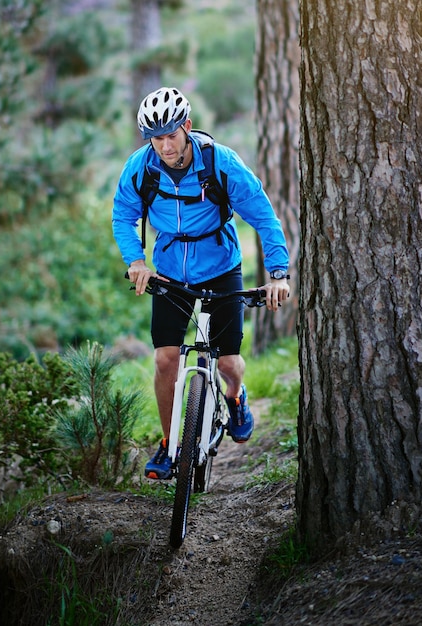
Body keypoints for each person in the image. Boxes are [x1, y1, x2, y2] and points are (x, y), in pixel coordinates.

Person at [112, 87, 290, 480]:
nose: (164, 145)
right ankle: (168, 443)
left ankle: (236, 395)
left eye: (171, 135)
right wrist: (136, 261)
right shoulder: (141, 168)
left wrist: (278, 274)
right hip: (170, 271)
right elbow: (123, 215)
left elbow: (263, 216)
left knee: (227, 361)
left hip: (221, 266)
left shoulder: (220, 163)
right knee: (165, 359)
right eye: (156, 138)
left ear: (186, 127)